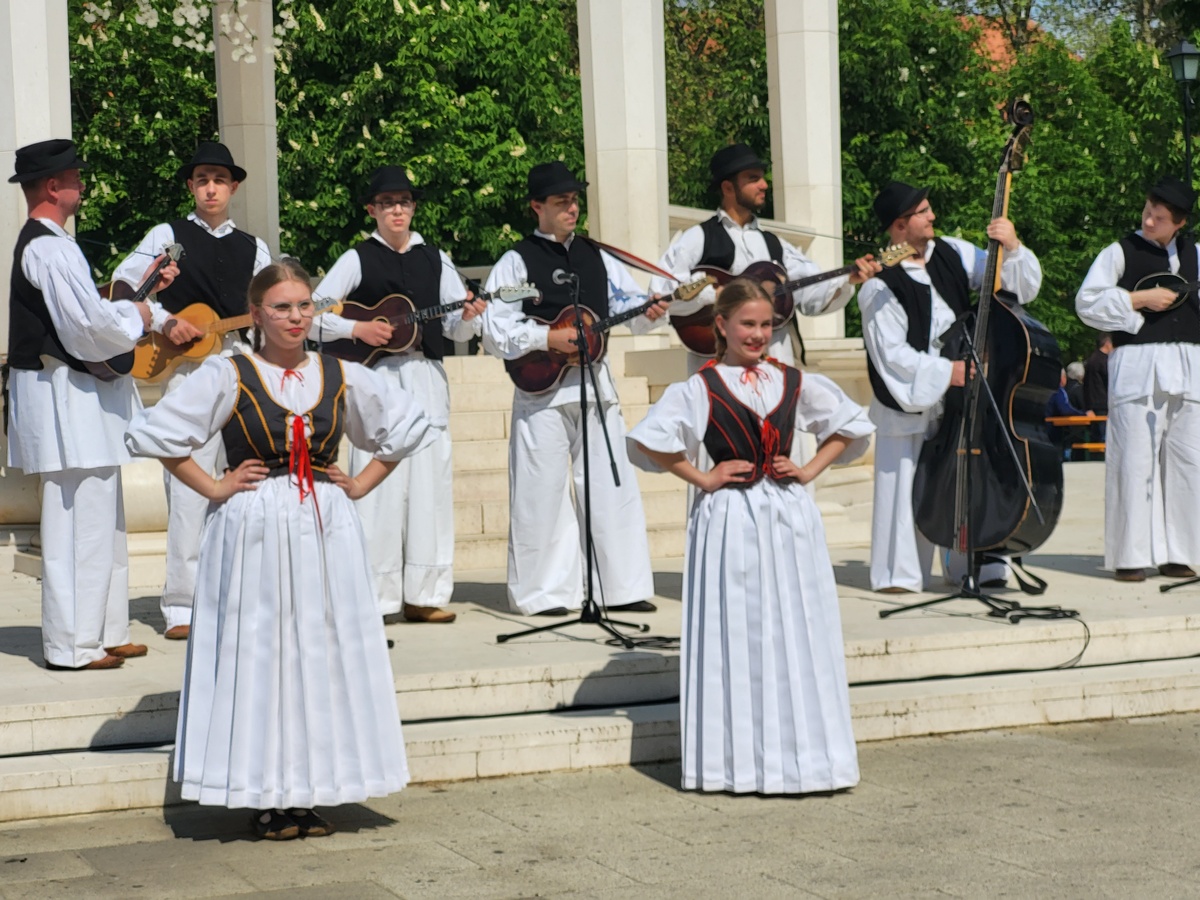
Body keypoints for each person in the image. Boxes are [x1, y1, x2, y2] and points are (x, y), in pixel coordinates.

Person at [125, 259, 433, 839]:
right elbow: (156, 435)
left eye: (304, 306)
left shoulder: (341, 373)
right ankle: (264, 791)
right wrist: (215, 486)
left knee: (318, 649)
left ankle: (314, 788)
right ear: (258, 313)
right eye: (282, 307)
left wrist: (361, 483)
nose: (295, 317)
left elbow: (409, 427)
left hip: (324, 527)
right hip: (254, 524)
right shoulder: (228, 373)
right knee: (262, 651)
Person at [627, 278, 872, 794]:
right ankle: (737, 763)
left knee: (797, 625)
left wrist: (808, 471)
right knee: (739, 628)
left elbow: (850, 425)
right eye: (748, 324)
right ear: (721, 325)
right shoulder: (701, 386)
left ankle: (808, 760)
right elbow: (649, 441)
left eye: (766, 325)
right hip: (731, 519)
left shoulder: (793, 380)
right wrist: (703, 477)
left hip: (788, 513)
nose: (758, 335)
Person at [6, 139, 177, 671]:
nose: (82, 184)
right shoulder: (49, 248)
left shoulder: (55, 244)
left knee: (104, 518)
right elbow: (87, 331)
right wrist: (141, 317)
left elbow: (88, 318)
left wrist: (131, 304)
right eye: (76, 177)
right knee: (76, 522)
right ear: (54, 186)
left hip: (78, 399)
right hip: (63, 398)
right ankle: (73, 645)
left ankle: (104, 630)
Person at [481, 161, 670, 616]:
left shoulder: (597, 255)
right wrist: (546, 338)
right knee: (540, 491)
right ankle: (545, 593)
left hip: (594, 385)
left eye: (574, 199)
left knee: (610, 485)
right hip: (540, 388)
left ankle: (621, 588)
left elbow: (625, 304)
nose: (571, 207)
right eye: (561, 200)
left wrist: (651, 309)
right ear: (536, 206)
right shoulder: (517, 262)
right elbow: (493, 328)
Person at [112, 141, 271, 641]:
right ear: (191, 185)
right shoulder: (168, 234)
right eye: (202, 179)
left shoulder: (256, 247)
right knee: (188, 487)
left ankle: (238, 596)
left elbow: (268, 308)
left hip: (241, 368)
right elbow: (122, 283)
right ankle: (182, 606)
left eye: (219, 180)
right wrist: (164, 319)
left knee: (247, 481)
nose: (210, 188)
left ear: (234, 187)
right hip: (187, 372)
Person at [313, 167, 485, 624]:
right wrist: (358, 328)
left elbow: (456, 327)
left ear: (413, 207)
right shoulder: (356, 257)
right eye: (387, 203)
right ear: (372, 209)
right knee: (377, 490)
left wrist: (469, 316)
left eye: (404, 202)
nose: (397, 210)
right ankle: (372, 595)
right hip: (376, 377)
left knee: (430, 485)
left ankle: (424, 594)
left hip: (427, 374)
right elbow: (310, 314)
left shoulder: (437, 258)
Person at [858, 181, 1042, 594]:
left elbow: (1015, 290)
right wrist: (947, 373)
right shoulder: (878, 285)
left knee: (969, 473)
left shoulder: (954, 252)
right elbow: (891, 354)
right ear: (901, 225)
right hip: (912, 400)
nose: (932, 217)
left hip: (965, 395)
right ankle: (900, 575)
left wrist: (1011, 247)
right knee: (905, 485)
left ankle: (975, 562)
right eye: (924, 211)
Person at [649, 143, 878, 371]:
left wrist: (848, 279)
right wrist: (719, 296)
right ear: (728, 188)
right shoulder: (697, 238)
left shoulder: (775, 245)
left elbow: (811, 298)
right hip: (720, 371)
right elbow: (662, 295)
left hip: (775, 370)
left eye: (762, 177)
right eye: (753, 178)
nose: (764, 185)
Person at [1076, 176, 1200, 583]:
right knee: (1133, 458)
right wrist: (1137, 300)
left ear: (1179, 222)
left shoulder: (1195, 253)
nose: (1149, 221)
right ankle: (1130, 555)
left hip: (1189, 365)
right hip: (1137, 362)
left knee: (1187, 462)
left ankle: (1179, 552)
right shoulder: (1120, 252)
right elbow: (1087, 302)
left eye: (1159, 218)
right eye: (1148, 211)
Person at [1083, 332, 1112, 443]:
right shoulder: (1103, 361)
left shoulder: (1092, 359)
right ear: (1107, 343)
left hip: (1095, 403)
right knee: (1104, 437)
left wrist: (1088, 407)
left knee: (1098, 435)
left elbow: (1086, 386)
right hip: (1102, 403)